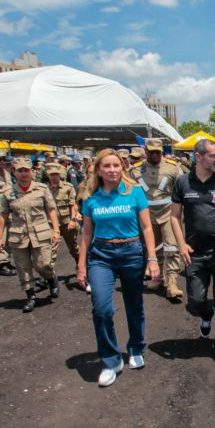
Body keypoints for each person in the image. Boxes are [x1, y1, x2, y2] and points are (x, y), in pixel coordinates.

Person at [77, 148, 160, 387]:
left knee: (134, 304)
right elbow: (87, 232)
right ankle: (111, 360)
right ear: (98, 170)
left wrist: (152, 258)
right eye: (107, 166)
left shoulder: (134, 192)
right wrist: (81, 266)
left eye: (116, 165)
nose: (112, 170)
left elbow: (146, 227)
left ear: (121, 167)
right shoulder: (90, 195)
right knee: (102, 308)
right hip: (101, 255)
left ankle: (136, 347)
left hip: (131, 252)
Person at [170, 139, 215, 367]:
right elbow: (174, 217)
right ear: (198, 157)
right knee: (196, 300)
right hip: (194, 253)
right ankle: (206, 315)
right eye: (213, 155)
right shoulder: (182, 183)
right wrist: (181, 244)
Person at [0, 157, 61, 313]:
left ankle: (51, 279)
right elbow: (3, 216)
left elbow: (51, 210)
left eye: (26, 170)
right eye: (20, 171)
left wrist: (56, 230)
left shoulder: (41, 189)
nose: (24, 174)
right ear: (14, 172)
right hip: (19, 235)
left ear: (32, 172)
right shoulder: (9, 193)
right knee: (23, 268)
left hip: (41, 233)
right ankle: (30, 296)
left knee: (43, 264)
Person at [130, 138, 184, 299]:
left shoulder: (173, 168)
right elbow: (129, 192)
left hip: (168, 212)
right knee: (153, 248)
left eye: (158, 152)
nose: (155, 155)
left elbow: (181, 190)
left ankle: (172, 282)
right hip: (146, 214)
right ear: (145, 151)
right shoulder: (135, 171)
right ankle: (158, 277)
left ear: (162, 151)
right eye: (151, 152)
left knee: (172, 247)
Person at [46, 163, 81, 269]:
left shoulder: (67, 187)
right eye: (52, 175)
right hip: (51, 224)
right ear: (48, 175)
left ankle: (80, 265)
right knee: (51, 249)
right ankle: (49, 274)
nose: (54, 177)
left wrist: (73, 220)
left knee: (73, 247)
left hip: (66, 223)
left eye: (56, 174)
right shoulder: (44, 189)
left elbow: (72, 205)